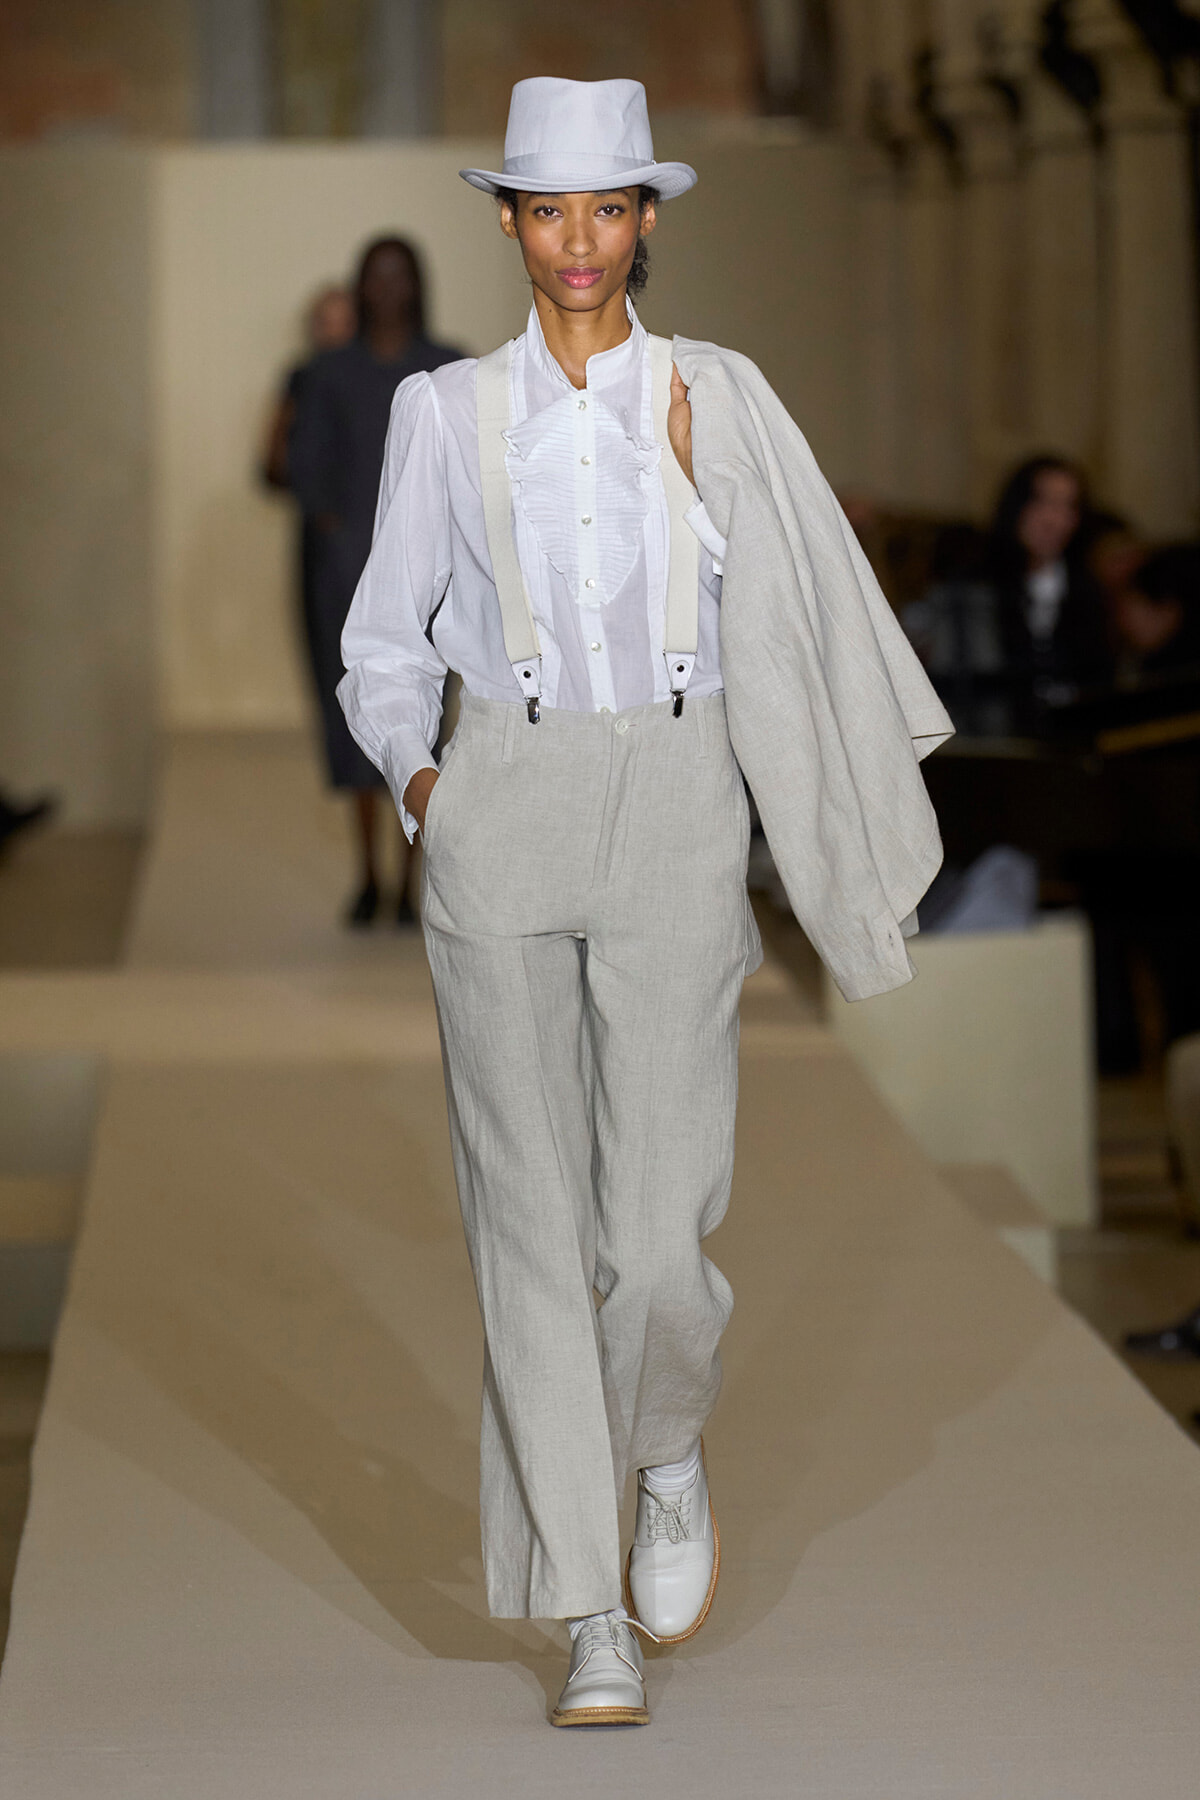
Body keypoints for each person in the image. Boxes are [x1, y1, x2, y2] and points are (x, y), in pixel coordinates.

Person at [338, 76, 950, 1728]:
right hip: (506, 809)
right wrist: (424, 789)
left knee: (660, 1235)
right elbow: (385, 640)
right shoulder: (443, 412)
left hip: (680, 804)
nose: (580, 241)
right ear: (513, 225)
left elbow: (810, 612)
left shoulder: (719, 396)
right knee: (526, 1228)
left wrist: (711, 484)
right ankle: (586, 1604)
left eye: (608, 208)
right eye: (550, 209)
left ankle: (666, 1442)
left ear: (650, 221)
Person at [289, 240, 462, 926]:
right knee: (353, 720)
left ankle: (410, 879)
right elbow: (307, 468)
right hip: (344, 576)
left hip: (431, 586)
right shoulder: (329, 372)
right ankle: (367, 874)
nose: (388, 289)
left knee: (424, 721)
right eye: (375, 276)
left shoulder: (449, 366)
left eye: (400, 276)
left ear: (418, 284)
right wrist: (338, 538)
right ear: (359, 285)